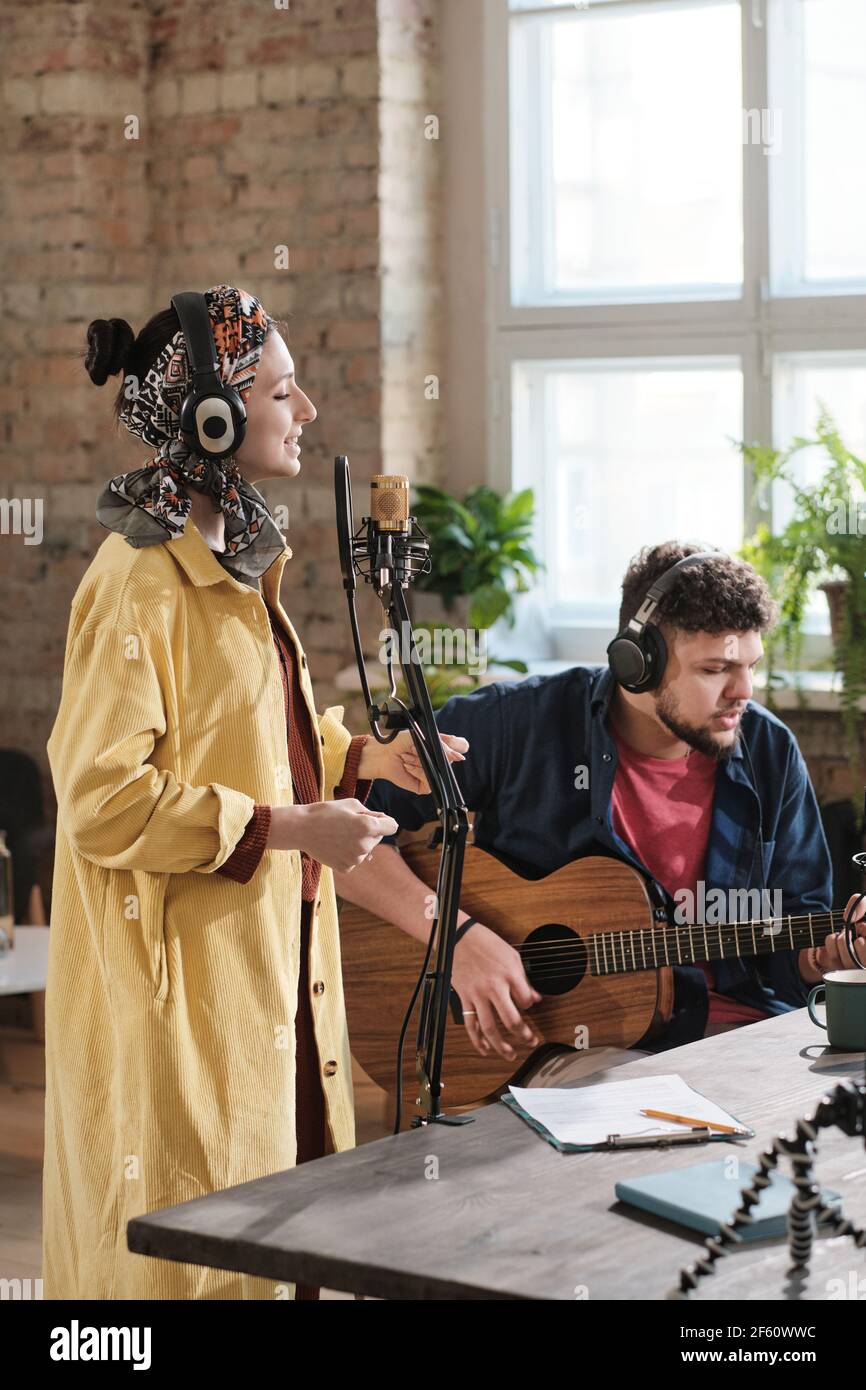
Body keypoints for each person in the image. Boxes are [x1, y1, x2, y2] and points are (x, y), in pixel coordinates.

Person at [43, 283, 467, 1299]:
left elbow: (243, 742)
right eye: (282, 391)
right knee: (197, 1258)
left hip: (266, 968)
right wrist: (290, 827)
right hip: (179, 992)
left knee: (284, 1228)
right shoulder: (136, 579)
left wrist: (361, 756)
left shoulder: (230, 560)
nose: (307, 411)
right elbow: (102, 797)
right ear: (212, 418)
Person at [335, 541, 866, 1088]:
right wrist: (456, 937)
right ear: (638, 662)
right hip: (572, 1046)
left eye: (751, 666)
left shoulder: (769, 751)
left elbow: (793, 937)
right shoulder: (518, 724)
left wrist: (831, 953)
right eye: (716, 669)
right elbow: (344, 827)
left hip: (743, 1036)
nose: (744, 692)